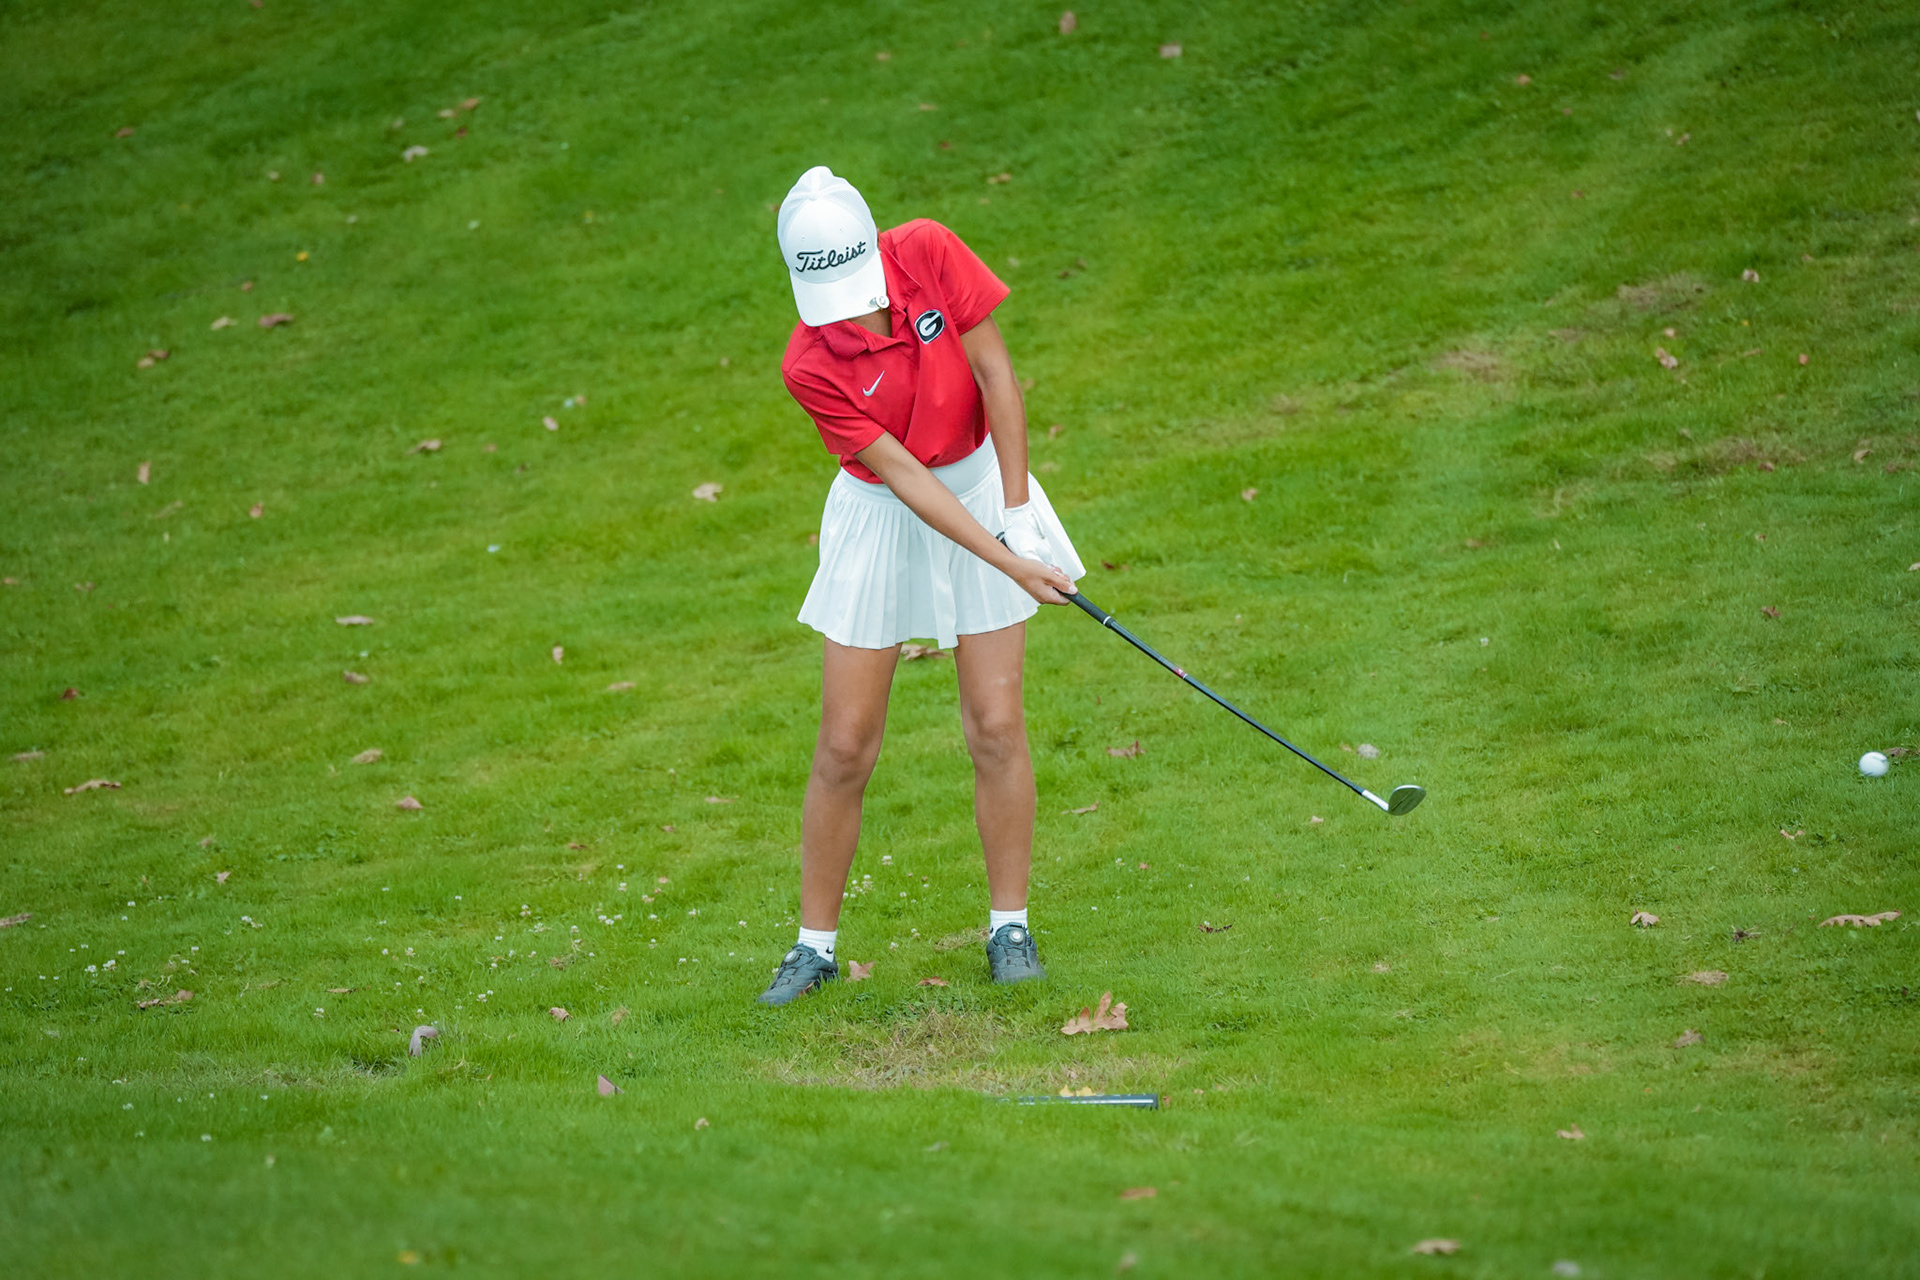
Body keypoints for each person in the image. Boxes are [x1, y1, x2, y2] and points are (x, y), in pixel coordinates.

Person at [758, 166, 1085, 1006]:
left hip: (983, 485)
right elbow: (903, 476)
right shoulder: (808, 364)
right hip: (882, 512)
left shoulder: (929, 251)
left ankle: (1009, 927)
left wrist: (1019, 515)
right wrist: (1010, 563)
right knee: (845, 744)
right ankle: (813, 948)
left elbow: (997, 377)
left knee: (996, 726)